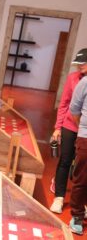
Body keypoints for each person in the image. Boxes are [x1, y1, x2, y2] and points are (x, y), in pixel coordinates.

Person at [49, 48, 87, 214]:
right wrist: (58, 127)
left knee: (82, 168)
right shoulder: (73, 79)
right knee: (65, 161)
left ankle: (81, 203)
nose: (79, 67)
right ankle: (59, 197)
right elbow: (64, 103)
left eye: (82, 64)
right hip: (70, 127)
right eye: (78, 64)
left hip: (85, 131)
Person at [69, 48, 87, 235]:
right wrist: (84, 128)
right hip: (86, 137)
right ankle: (77, 215)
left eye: (83, 63)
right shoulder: (84, 83)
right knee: (82, 178)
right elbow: (74, 110)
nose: (81, 67)